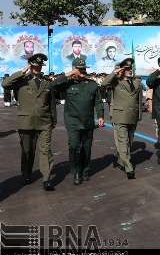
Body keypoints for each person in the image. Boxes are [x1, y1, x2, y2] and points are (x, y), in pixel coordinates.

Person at [2, 53, 57, 190]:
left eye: (39, 67)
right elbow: (5, 84)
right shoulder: (21, 81)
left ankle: (46, 178)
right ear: (30, 66)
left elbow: (51, 104)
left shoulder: (47, 83)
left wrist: (53, 121)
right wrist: (22, 72)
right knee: (27, 150)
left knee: (46, 150)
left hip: (44, 122)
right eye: (35, 66)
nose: (37, 69)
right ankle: (26, 174)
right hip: (26, 122)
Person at [49, 58, 104, 185]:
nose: (83, 71)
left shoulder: (92, 84)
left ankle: (85, 170)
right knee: (74, 146)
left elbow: (98, 102)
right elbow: (52, 86)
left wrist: (100, 115)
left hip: (88, 121)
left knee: (86, 147)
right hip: (72, 121)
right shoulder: (68, 84)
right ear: (74, 70)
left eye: (84, 68)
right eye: (80, 69)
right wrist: (68, 74)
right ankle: (76, 172)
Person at [101, 58, 142, 179]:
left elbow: (139, 100)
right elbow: (104, 84)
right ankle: (129, 167)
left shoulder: (137, 82)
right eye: (127, 68)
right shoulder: (116, 82)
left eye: (130, 68)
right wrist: (115, 72)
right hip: (119, 116)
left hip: (133, 116)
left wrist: (139, 115)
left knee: (129, 141)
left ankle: (120, 160)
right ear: (122, 70)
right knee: (123, 142)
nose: (129, 70)